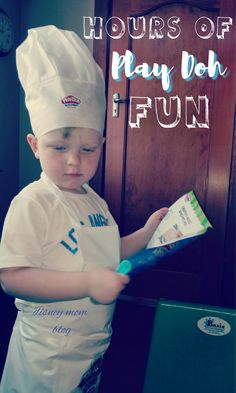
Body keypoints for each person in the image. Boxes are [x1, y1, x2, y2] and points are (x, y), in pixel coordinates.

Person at [0, 26, 168, 393]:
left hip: (88, 349)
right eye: (59, 148)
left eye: (88, 149)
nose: (74, 162)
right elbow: (12, 277)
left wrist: (146, 233)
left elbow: (107, 252)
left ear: (101, 144)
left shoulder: (95, 201)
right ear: (34, 145)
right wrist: (88, 283)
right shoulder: (32, 203)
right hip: (45, 359)